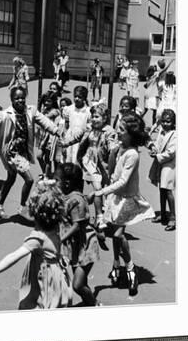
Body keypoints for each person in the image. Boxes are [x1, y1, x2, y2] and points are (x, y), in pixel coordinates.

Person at [87, 113, 155, 296]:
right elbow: (111, 171)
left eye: (122, 130)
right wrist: (114, 152)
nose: (118, 131)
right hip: (115, 198)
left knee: (117, 234)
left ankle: (131, 270)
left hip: (127, 199)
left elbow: (123, 181)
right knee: (116, 235)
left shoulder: (132, 154)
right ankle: (116, 263)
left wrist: (100, 192)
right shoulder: (121, 149)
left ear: (131, 134)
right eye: (118, 126)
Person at [0, 86, 61, 219]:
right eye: (17, 98)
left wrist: (57, 131)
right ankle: (22, 206)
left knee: (11, 177)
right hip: (11, 152)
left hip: (23, 150)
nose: (20, 100)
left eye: (22, 98)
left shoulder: (31, 111)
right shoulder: (4, 114)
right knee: (29, 180)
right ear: (11, 99)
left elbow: (45, 121)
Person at [0, 180, 72, 309]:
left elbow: (13, 256)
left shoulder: (37, 238)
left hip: (45, 279)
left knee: (40, 303)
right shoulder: (56, 227)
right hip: (58, 275)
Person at [56, 163, 100, 306]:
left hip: (84, 246)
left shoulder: (76, 200)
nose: (55, 183)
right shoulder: (69, 196)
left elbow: (77, 225)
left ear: (67, 183)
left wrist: (61, 239)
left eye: (57, 180)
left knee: (77, 285)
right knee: (81, 281)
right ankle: (88, 302)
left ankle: (95, 304)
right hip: (76, 246)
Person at [75, 103, 116, 246]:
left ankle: (102, 214)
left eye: (97, 116)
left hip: (104, 164)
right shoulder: (89, 129)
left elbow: (112, 143)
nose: (94, 119)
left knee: (106, 191)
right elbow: (79, 139)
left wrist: (113, 148)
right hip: (90, 161)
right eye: (92, 116)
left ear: (105, 118)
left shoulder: (109, 131)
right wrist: (67, 142)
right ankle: (99, 217)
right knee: (98, 189)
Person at [148, 109, 177, 231]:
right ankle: (163, 214)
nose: (165, 124)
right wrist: (154, 149)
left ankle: (173, 217)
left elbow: (171, 152)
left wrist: (158, 156)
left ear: (173, 123)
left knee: (168, 189)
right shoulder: (162, 131)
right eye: (163, 121)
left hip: (170, 165)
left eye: (168, 122)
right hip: (161, 162)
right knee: (161, 189)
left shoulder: (175, 134)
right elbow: (158, 143)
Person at [63, 85, 91, 163]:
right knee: (68, 161)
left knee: (77, 162)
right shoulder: (69, 109)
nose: (77, 99)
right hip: (70, 138)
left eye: (79, 97)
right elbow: (66, 125)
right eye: (75, 96)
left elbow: (88, 129)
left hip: (81, 141)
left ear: (84, 98)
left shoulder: (88, 112)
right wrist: (65, 142)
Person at [36, 92, 60, 178]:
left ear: (53, 102)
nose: (46, 103)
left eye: (49, 101)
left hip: (49, 138)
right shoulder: (45, 110)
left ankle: (47, 175)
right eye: (45, 101)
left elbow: (43, 118)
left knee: (47, 159)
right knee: (39, 156)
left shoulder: (55, 111)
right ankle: (46, 173)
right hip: (42, 137)